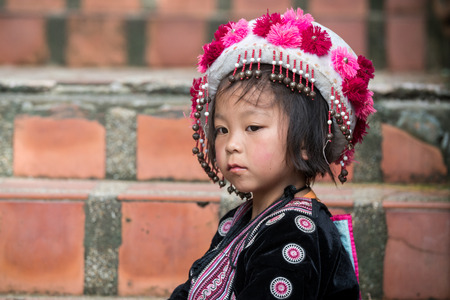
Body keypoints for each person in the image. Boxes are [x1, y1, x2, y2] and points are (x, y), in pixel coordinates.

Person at [169, 7, 375, 300]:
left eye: (252, 127)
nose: (231, 144)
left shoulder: (296, 232)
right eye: (222, 129)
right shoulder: (242, 218)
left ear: (304, 141)